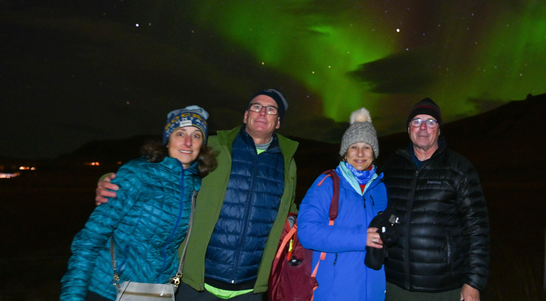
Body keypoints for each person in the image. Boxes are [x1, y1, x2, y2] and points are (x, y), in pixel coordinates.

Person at [96, 89, 298, 300]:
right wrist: (111, 181)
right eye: (256, 106)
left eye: (271, 109)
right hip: (196, 281)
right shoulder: (213, 147)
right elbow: (160, 167)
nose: (263, 112)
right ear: (246, 116)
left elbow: (288, 208)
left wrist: (295, 221)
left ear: (278, 123)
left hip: (249, 287)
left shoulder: (287, 163)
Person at [61, 105, 216, 301]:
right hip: (108, 290)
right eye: (180, 133)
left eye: (196, 135)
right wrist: (72, 296)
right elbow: (89, 239)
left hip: (154, 293)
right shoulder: (137, 173)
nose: (187, 142)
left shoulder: (195, 185)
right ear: (167, 139)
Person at [380, 98, 490, 301]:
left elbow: (477, 230)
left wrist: (473, 283)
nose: (423, 127)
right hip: (394, 285)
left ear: (439, 130)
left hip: (443, 288)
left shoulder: (459, 169)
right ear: (408, 129)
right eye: (416, 121)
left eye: (431, 122)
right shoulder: (391, 167)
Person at [298, 107, 387, 301]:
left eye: (367, 147)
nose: (360, 153)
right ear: (345, 152)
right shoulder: (327, 183)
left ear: (374, 153)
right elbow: (306, 232)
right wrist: (360, 238)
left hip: (372, 291)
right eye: (354, 147)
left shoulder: (380, 188)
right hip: (333, 291)